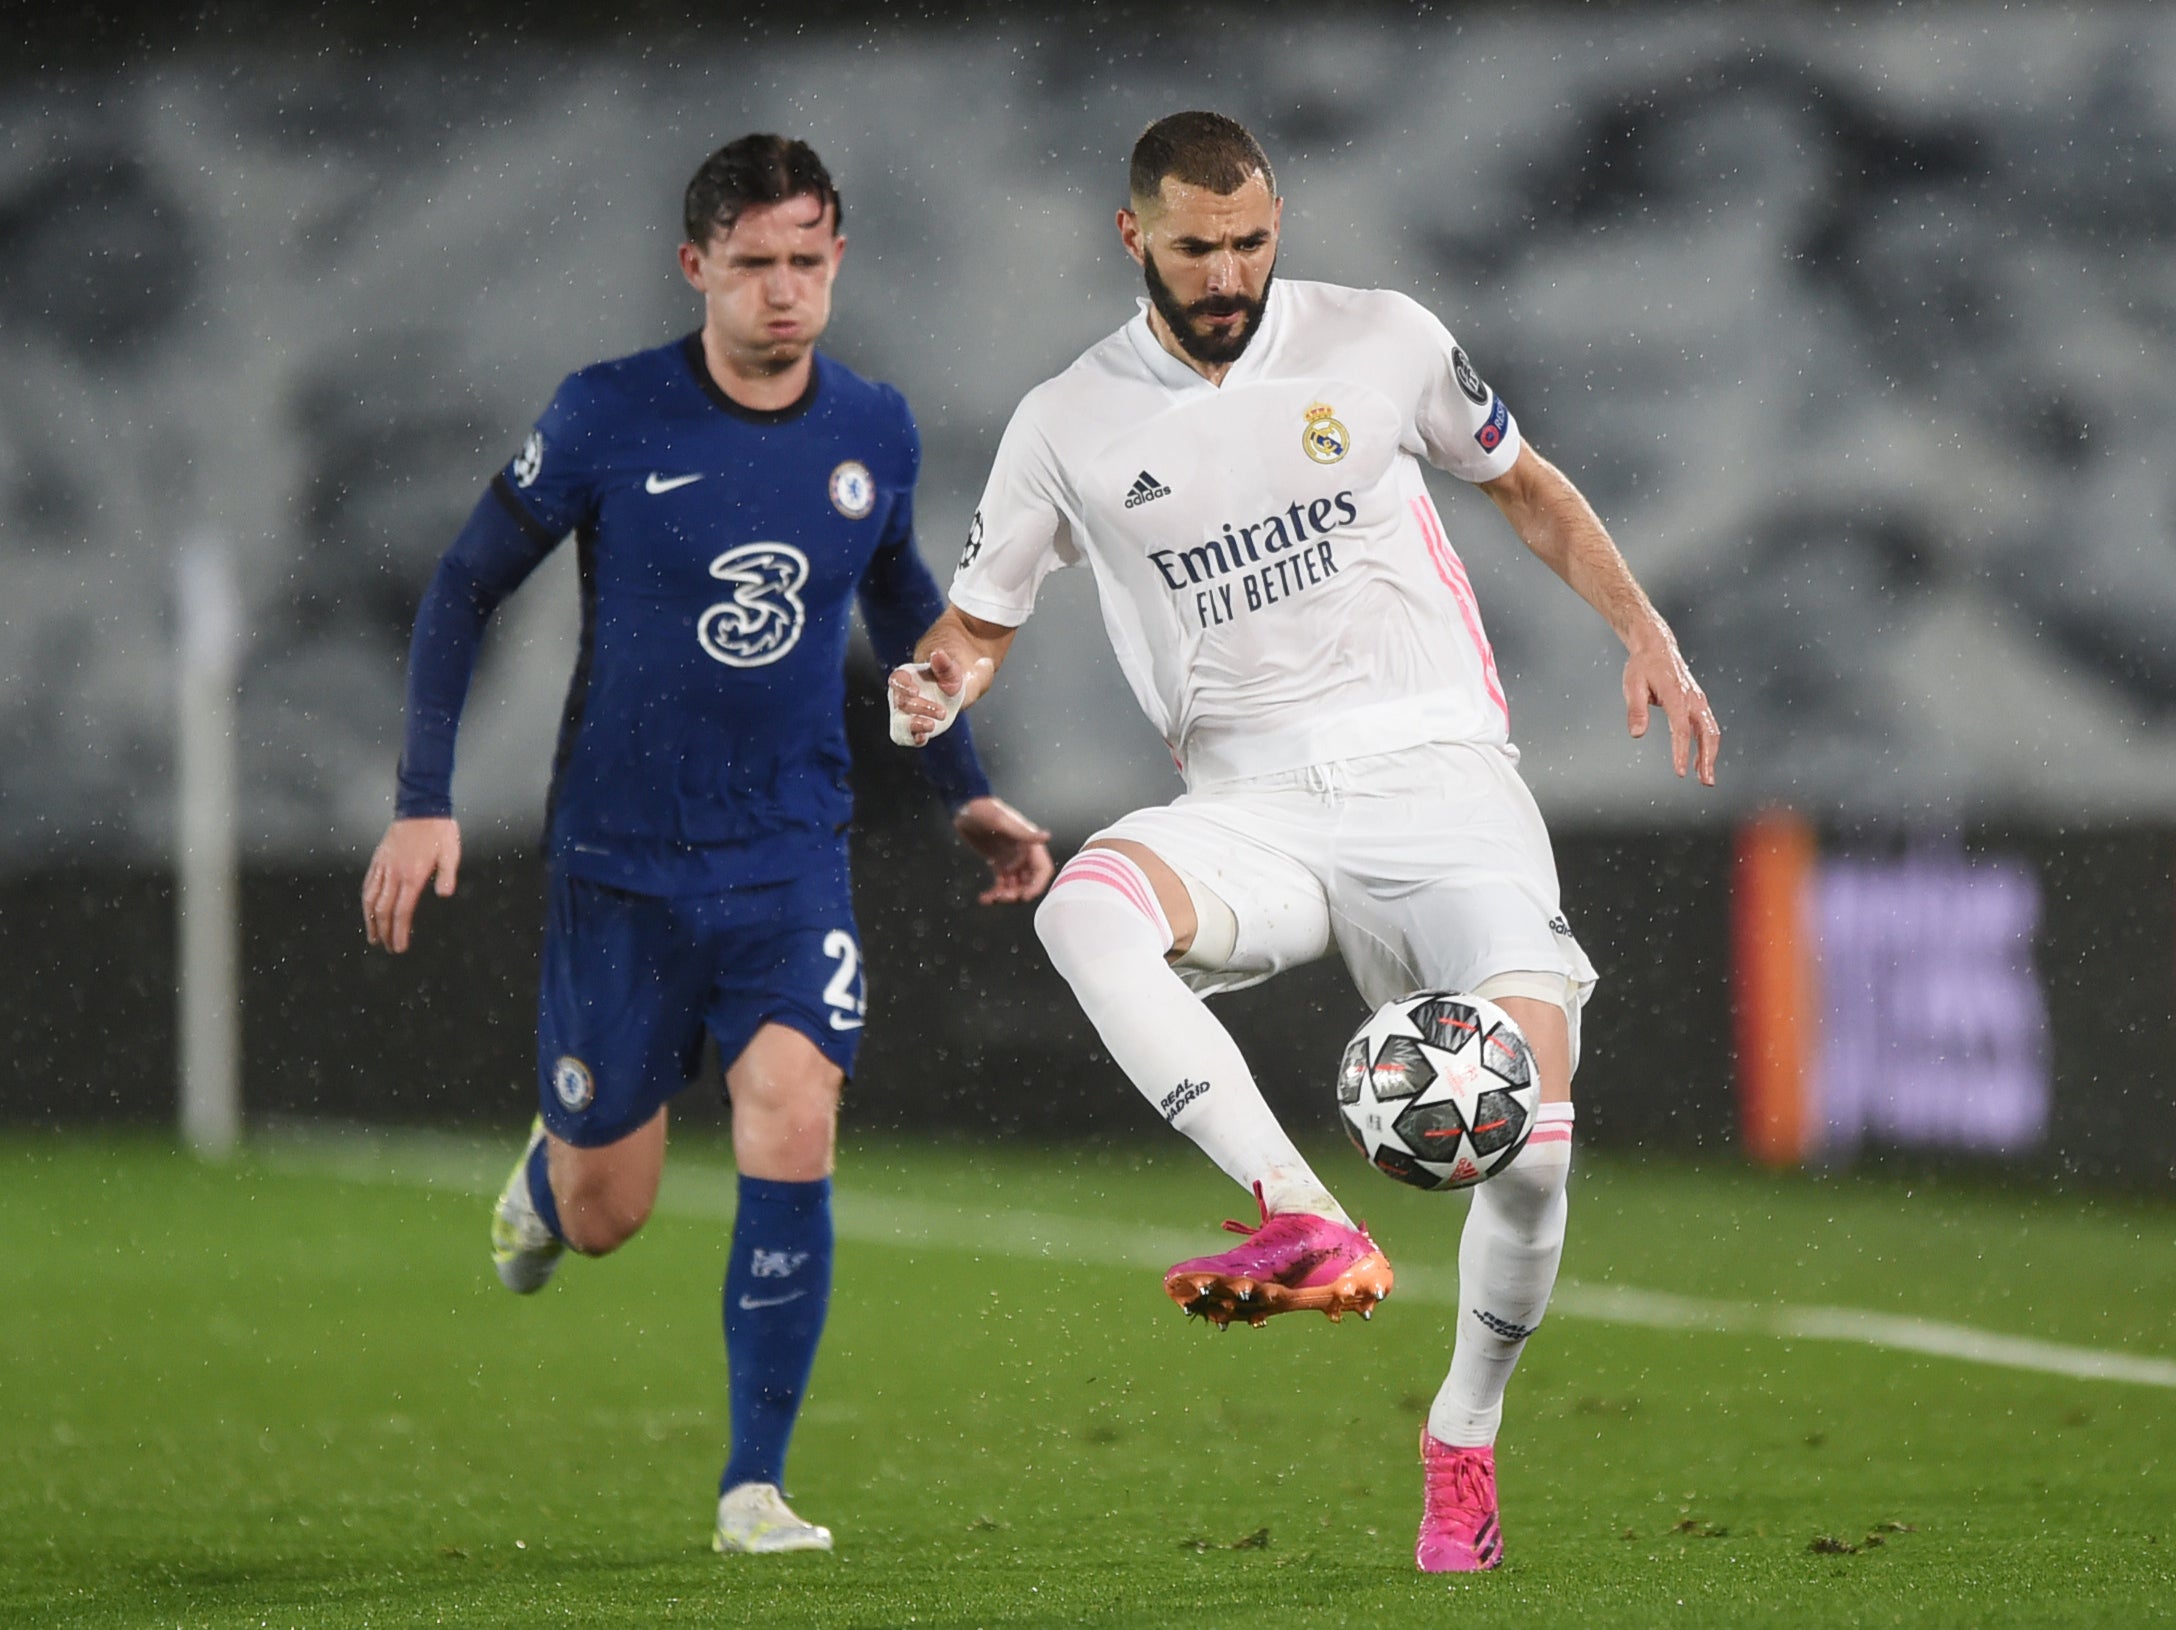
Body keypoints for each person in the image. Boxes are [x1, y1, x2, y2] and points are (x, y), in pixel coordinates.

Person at [889, 111, 1718, 1574]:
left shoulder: (1382, 338)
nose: (1229, 273)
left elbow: (1524, 484)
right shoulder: (1065, 422)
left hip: (1443, 784)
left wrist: (1641, 625)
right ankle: (1305, 1219)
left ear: (1283, 224)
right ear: (1130, 236)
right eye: (1198, 246)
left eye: (1254, 241)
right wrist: (934, 680)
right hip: (1251, 803)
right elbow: (979, 625)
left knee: (1528, 1156)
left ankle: (1461, 1433)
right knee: (1084, 910)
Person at [361, 133, 1054, 1557]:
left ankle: (754, 1485)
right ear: (698, 268)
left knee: (793, 1109)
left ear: (838, 260)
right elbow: (463, 585)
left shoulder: (872, 427)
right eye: (754, 265)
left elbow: (902, 606)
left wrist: (963, 788)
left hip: (790, 853)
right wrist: (424, 794)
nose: (785, 292)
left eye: (809, 261)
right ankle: (552, 1178)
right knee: (611, 1210)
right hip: (621, 867)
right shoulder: (608, 414)